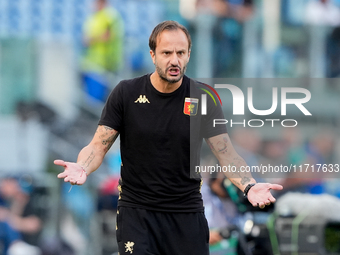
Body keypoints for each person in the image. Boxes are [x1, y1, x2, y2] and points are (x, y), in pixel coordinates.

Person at [55, 20, 283, 255]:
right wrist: (82, 166)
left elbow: (226, 155)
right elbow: (97, 146)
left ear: (189, 55)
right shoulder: (126, 93)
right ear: (153, 55)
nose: (174, 60)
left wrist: (249, 186)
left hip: (186, 215)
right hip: (137, 214)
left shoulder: (204, 97)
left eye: (180, 53)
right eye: (166, 53)